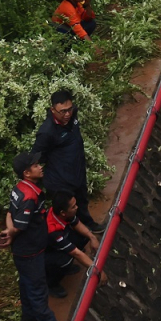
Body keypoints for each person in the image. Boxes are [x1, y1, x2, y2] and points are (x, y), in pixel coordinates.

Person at [34, 89, 102, 234]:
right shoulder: (47, 132)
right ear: (53, 109)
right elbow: (37, 157)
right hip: (60, 180)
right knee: (67, 211)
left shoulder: (72, 116)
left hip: (77, 171)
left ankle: (89, 225)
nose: (67, 114)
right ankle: (69, 240)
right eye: (62, 111)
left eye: (69, 110)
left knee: (81, 200)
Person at [1, 151, 57, 321]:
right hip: (30, 253)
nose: (40, 167)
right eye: (35, 165)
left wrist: (9, 232)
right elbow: (19, 225)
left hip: (22, 252)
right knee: (38, 292)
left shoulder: (19, 188)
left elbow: (10, 214)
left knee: (26, 288)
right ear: (26, 173)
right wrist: (11, 232)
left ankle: (28, 320)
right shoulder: (30, 197)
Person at [44, 188, 100, 298]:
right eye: (73, 207)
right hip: (43, 254)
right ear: (63, 213)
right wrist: (97, 271)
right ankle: (51, 284)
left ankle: (65, 267)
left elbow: (77, 223)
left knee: (85, 235)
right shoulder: (52, 230)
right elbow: (76, 254)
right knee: (66, 260)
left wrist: (92, 237)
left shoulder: (60, 213)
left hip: (56, 244)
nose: (77, 207)